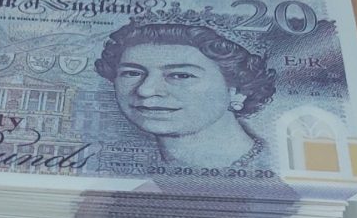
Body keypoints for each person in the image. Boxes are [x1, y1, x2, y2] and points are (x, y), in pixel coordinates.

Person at [95, 21, 276, 168]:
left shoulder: (273, 167)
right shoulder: (109, 164)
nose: (145, 90)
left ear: (238, 90)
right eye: (132, 73)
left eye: (181, 75)